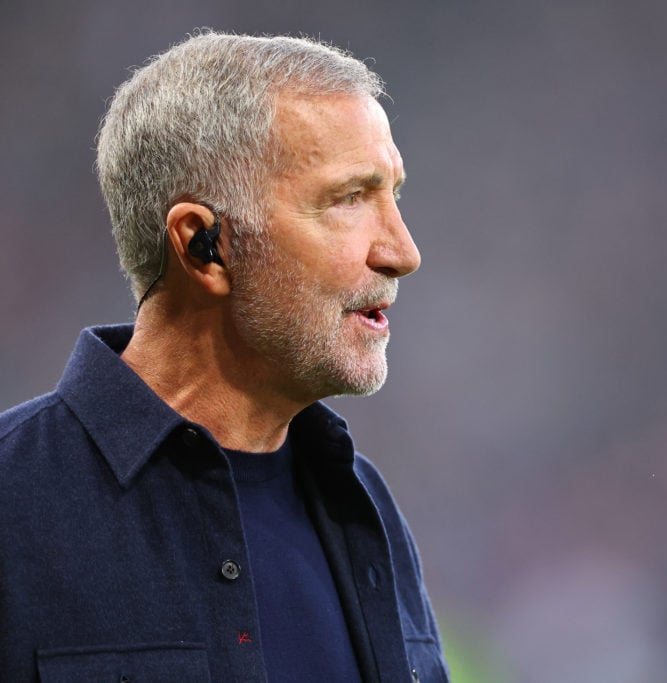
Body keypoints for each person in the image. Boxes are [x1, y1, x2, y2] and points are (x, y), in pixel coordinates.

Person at [0, 31, 448, 682]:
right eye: (349, 198)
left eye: (393, 196)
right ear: (203, 245)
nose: (403, 252)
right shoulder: (13, 507)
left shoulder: (365, 506)